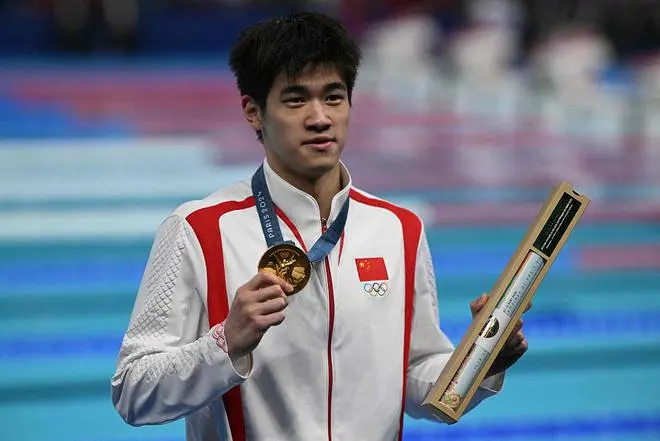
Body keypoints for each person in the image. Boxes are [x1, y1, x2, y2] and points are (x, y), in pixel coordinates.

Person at [111, 11, 529, 441]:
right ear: (254, 111)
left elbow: (413, 377)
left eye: (333, 97)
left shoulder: (398, 229)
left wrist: (482, 360)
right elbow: (132, 391)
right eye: (296, 100)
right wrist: (225, 343)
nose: (320, 118)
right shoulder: (199, 230)